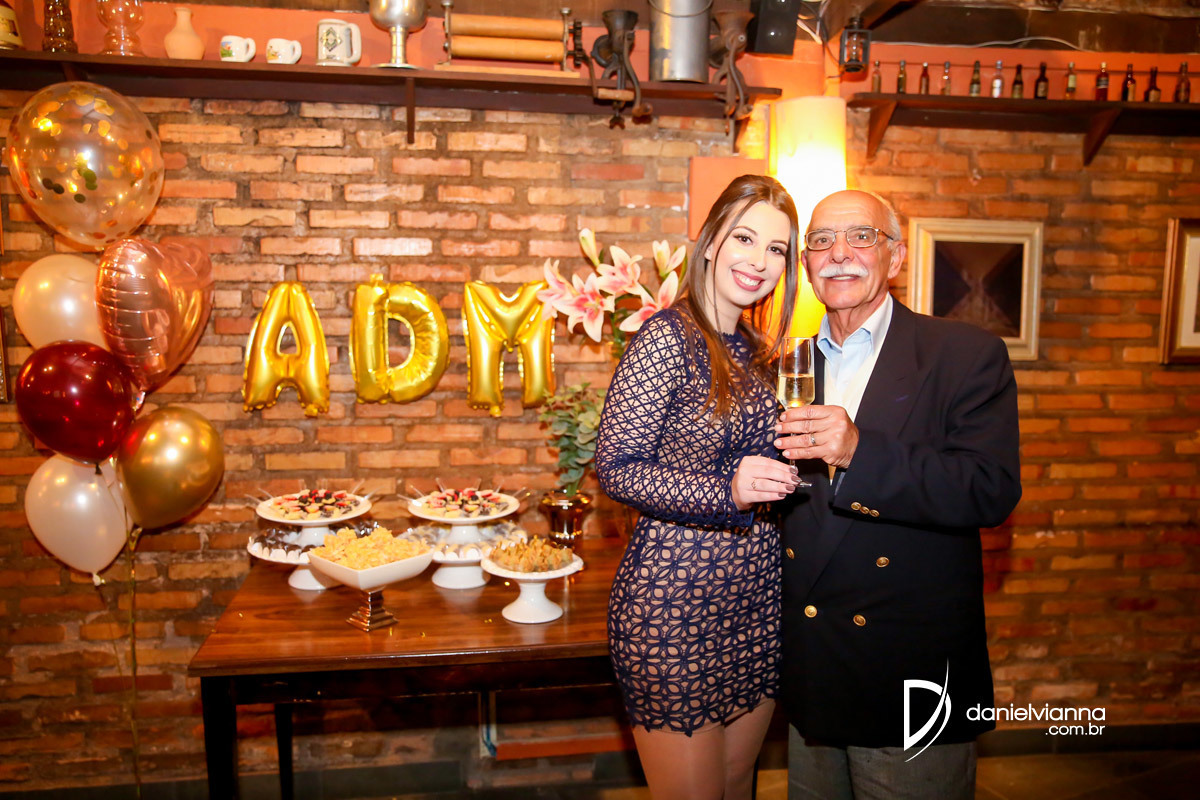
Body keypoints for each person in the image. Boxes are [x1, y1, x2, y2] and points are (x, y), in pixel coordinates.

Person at [774, 189, 1022, 799]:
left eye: (861, 237)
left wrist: (859, 452)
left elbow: (990, 491)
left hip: (910, 673)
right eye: (821, 241)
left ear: (897, 256)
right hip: (814, 667)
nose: (839, 254)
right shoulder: (787, 363)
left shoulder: (963, 354)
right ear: (806, 264)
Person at [595, 174, 803, 800]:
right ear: (712, 242)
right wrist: (726, 493)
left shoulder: (759, 351)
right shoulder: (667, 337)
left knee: (738, 786)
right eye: (745, 238)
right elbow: (617, 466)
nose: (759, 260)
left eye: (776, 249)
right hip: (674, 606)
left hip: (757, 605)